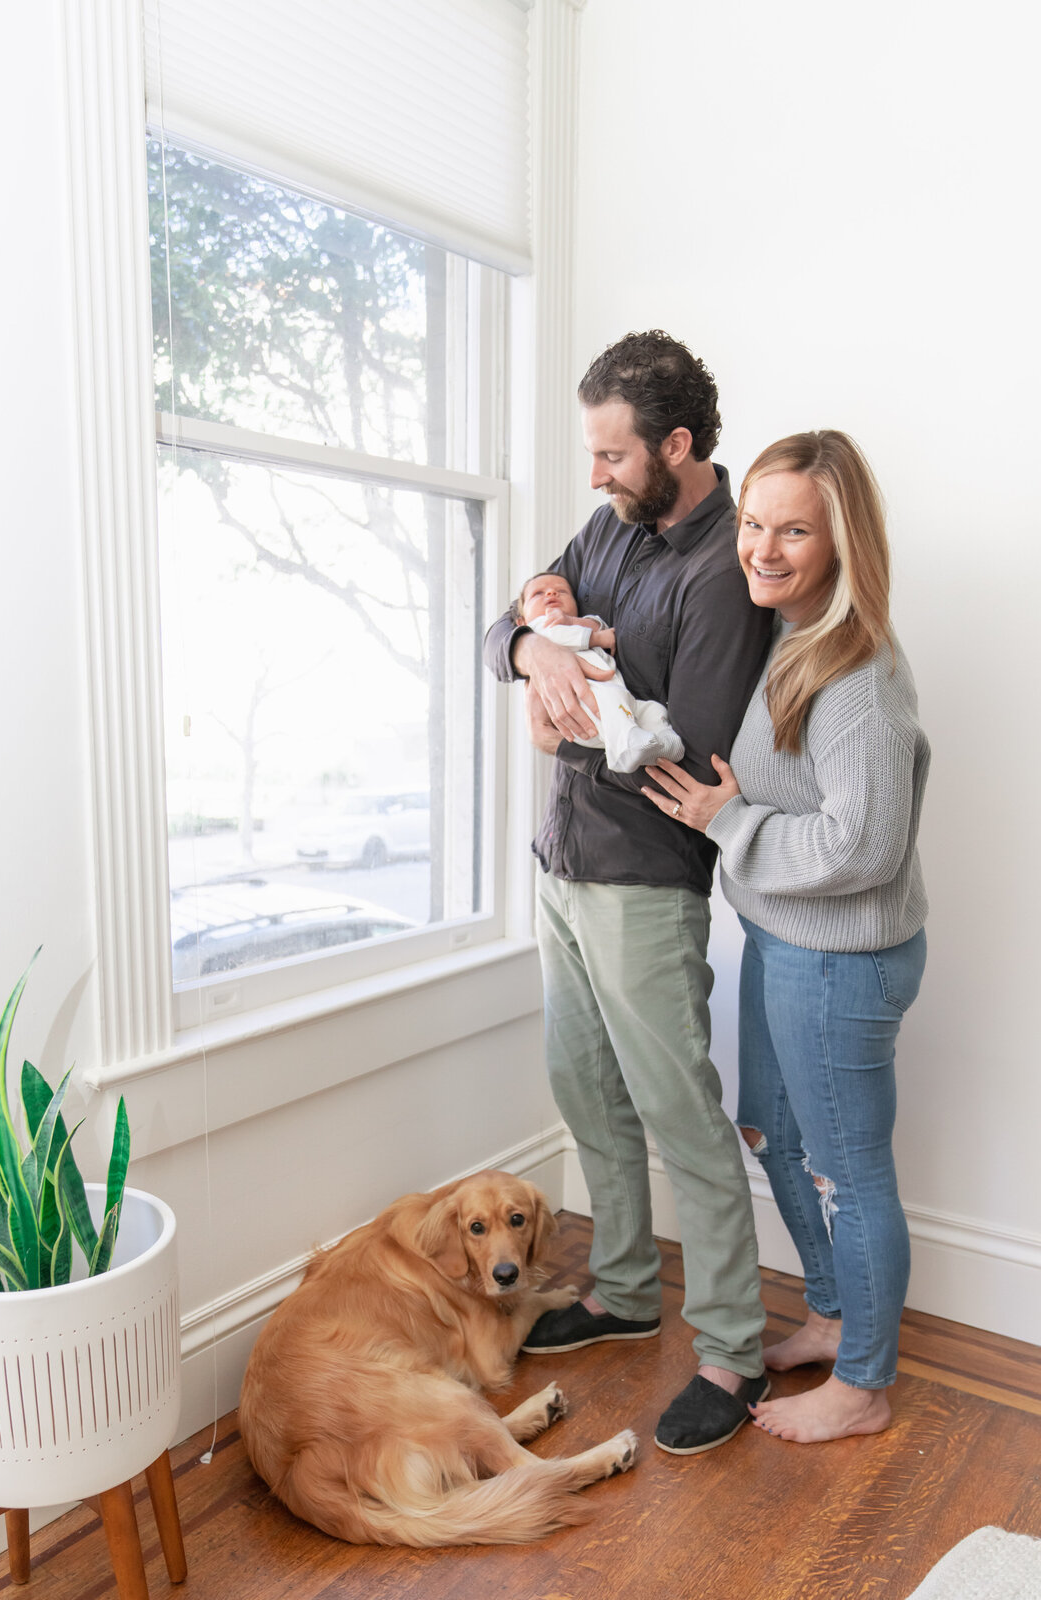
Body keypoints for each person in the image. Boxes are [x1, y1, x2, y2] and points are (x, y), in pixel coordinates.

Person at [484, 331, 774, 1456]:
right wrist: (531, 656)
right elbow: (508, 626)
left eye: (612, 455)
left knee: (678, 1111)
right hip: (558, 863)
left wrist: (576, 671)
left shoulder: (724, 571)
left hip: (643, 881)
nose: (595, 477)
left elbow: (683, 754)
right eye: (593, 454)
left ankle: (733, 1351)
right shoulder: (607, 526)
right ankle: (621, 1290)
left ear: (678, 445)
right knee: (582, 1084)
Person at [641, 429, 929, 1444]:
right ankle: (835, 1314)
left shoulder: (854, 676)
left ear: (841, 540)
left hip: (841, 960)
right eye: (754, 524)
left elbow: (869, 844)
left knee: (850, 1174)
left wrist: (727, 822)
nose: (761, 548)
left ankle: (864, 1382)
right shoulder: (785, 635)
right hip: (784, 940)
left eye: (793, 529)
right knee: (772, 1129)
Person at [513, 570, 684, 773]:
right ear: (521, 622)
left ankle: (662, 742)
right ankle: (626, 746)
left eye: (562, 591)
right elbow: (561, 635)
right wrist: (597, 639)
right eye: (538, 594)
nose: (551, 593)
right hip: (583, 704)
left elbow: (598, 624)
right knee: (613, 700)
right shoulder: (537, 629)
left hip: (617, 700)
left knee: (651, 710)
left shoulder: (575, 623)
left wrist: (575, 621)